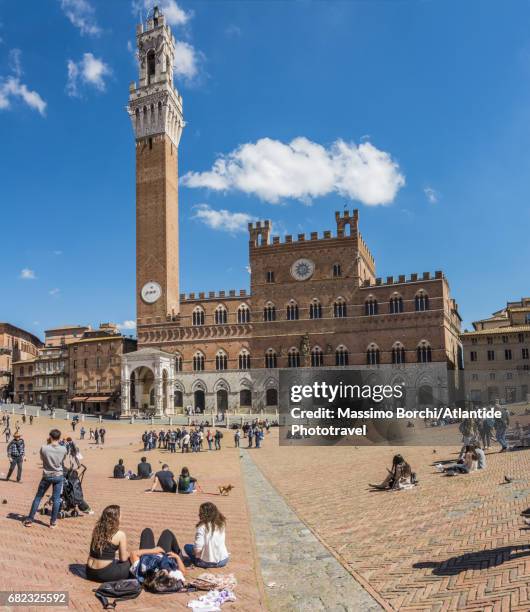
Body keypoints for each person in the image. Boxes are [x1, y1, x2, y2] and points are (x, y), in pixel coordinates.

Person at [86, 505, 159, 582]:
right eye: (120, 515)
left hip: (90, 572)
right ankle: (145, 573)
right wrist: (129, 555)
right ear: (115, 518)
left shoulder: (97, 530)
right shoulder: (120, 534)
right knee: (131, 562)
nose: (122, 517)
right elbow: (123, 558)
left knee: (117, 561)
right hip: (104, 574)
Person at [24, 429, 67, 528]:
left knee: (38, 497)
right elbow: (62, 460)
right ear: (59, 438)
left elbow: (42, 459)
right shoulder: (63, 449)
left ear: (50, 436)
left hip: (47, 475)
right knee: (56, 499)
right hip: (58, 475)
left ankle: (30, 519)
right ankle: (53, 522)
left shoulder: (44, 448)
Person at [183, 502, 229, 568]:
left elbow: (197, 550)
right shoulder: (221, 524)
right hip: (223, 560)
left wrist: (196, 553)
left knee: (187, 547)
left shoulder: (202, 528)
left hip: (207, 562)